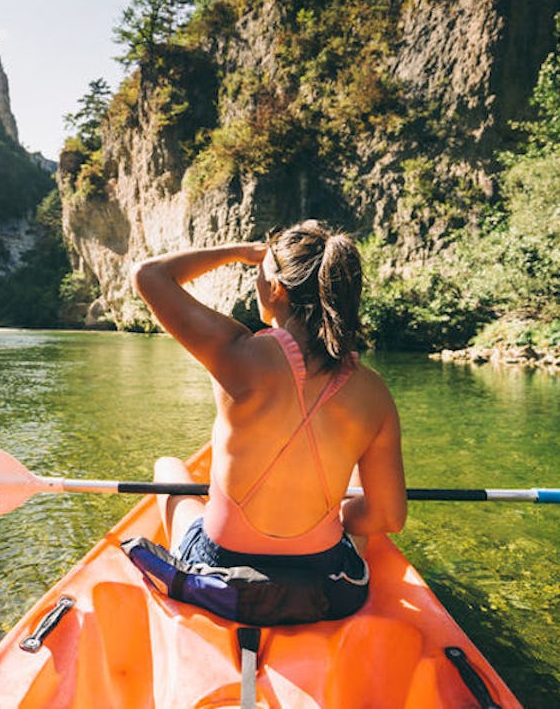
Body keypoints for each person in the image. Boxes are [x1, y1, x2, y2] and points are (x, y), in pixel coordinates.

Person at [130, 220, 405, 620]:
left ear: (276, 289)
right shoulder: (375, 393)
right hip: (327, 585)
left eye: (260, 276)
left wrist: (242, 252)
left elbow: (149, 275)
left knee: (168, 467)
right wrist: (340, 516)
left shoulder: (236, 353)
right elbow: (389, 517)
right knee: (358, 491)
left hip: (220, 575)